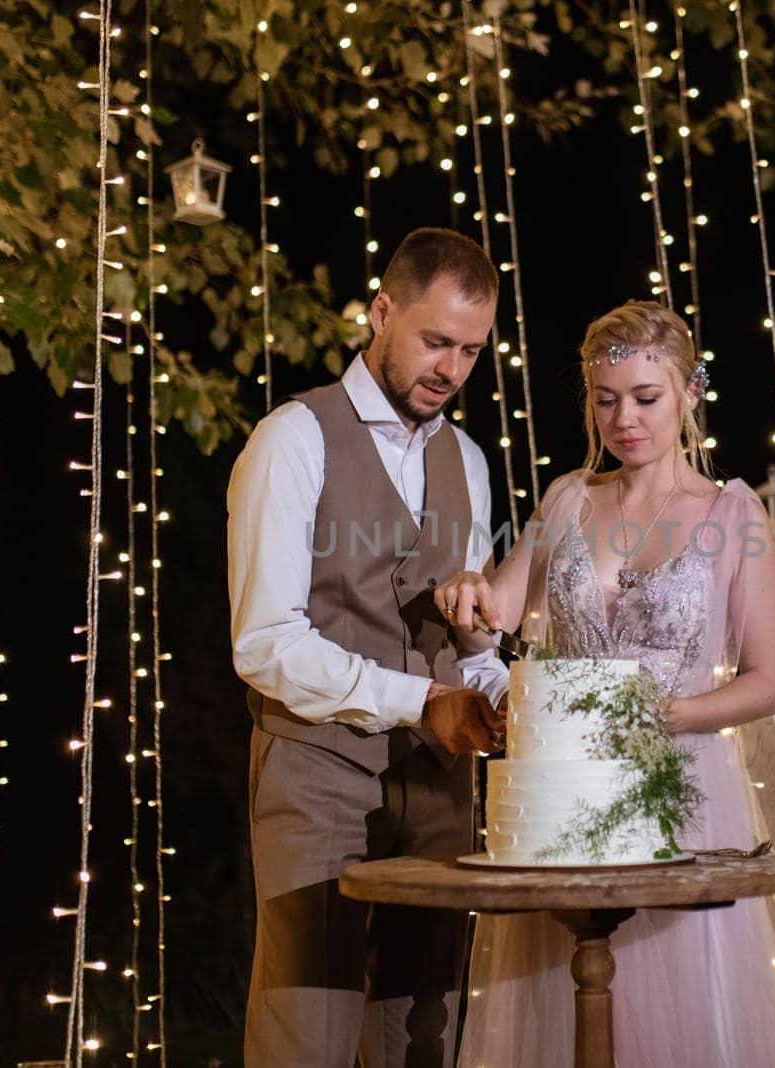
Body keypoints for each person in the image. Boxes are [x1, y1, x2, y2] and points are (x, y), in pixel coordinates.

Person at [433, 299, 775, 1066]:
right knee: (561, 1006)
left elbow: (769, 681)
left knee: (676, 1014)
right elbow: (496, 616)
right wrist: (465, 596)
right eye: (606, 400)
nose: (624, 419)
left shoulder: (732, 515)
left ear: (687, 393)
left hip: (686, 794)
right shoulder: (568, 499)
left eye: (645, 397)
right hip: (568, 798)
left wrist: (666, 715)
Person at [228, 227, 510, 1068]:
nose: (451, 370)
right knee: (306, 1024)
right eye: (434, 341)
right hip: (317, 768)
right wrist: (418, 699)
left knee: (425, 1028)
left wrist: (493, 680)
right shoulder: (293, 438)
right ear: (382, 312)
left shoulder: (468, 458)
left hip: (437, 783)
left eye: (470, 351)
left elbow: (471, 639)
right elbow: (265, 643)